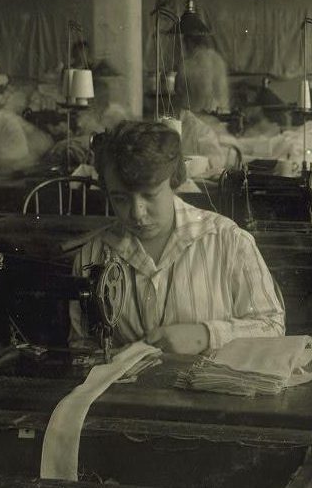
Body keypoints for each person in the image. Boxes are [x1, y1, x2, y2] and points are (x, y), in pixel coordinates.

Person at [70, 120, 285, 354]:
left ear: (173, 180)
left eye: (150, 195)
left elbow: (272, 327)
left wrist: (205, 336)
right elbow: (82, 345)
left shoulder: (228, 241)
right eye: (120, 199)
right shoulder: (92, 256)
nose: (137, 213)